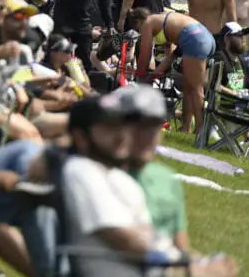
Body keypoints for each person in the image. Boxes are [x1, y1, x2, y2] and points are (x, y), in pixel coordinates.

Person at [60, 93, 178, 277]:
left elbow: (149, 235)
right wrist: (183, 268)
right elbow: (121, 236)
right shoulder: (81, 171)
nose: (122, 134)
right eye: (110, 127)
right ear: (82, 137)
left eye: (124, 125)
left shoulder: (121, 178)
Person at [137, 10, 217, 133]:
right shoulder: (169, 20)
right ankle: (185, 128)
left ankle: (201, 131)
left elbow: (145, 53)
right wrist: (155, 73)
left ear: (138, 23)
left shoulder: (148, 22)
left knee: (196, 89)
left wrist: (140, 76)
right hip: (205, 37)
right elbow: (172, 55)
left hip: (195, 39)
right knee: (189, 87)